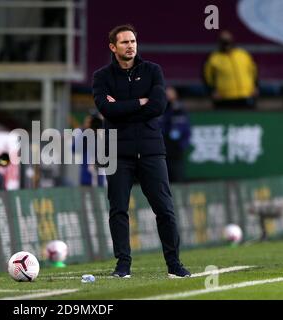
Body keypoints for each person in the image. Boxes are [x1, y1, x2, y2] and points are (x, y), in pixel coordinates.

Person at [92, 24, 190, 278]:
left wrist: (123, 108)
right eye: (124, 42)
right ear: (113, 47)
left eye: (133, 41)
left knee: (165, 210)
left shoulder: (152, 71)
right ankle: (123, 264)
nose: (130, 46)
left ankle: (174, 264)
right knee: (118, 210)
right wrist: (139, 102)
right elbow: (107, 110)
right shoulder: (101, 77)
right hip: (117, 152)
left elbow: (158, 106)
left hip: (151, 151)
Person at [204, 30, 258, 109]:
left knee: (248, 120)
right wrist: (212, 91)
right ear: (220, 42)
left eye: (228, 40)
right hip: (224, 98)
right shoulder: (213, 58)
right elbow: (207, 77)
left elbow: (253, 71)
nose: (226, 43)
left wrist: (256, 86)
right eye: (224, 41)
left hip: (246, 95)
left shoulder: (243, 54)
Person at [161, 87, 191, 183]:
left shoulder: (180, 110)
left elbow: (185, 130)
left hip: (175, 149)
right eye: (166, 94)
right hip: (161, 147)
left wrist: (181, 145)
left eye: (171, 94)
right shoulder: (160, 108)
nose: (168, 96)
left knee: (177, 175)